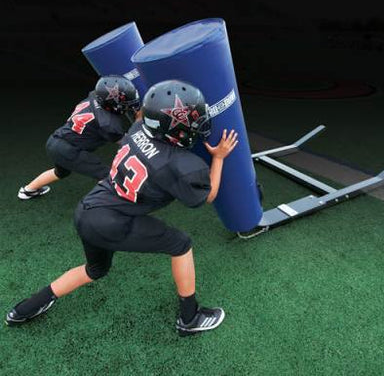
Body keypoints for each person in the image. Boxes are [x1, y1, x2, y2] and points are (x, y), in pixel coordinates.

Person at [6, 79, 238, 336]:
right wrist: (218, 158)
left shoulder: (136, 129)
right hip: (112, 222)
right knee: (180, 244)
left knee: (95, 270)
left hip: (86, 211)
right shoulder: (181, 165)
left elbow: (142, 119)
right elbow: (208, 196)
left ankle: (25, 309)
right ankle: (189, 318)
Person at [17, 74, 140, 200]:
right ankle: (104, 205)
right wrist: (138, 119)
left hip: (54, 141)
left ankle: (27, 191)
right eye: (125, 100)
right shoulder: (109, 124)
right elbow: (128, 142)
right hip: (69, 150)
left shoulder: (94, 95)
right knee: (107, 176)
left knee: (61, 172)